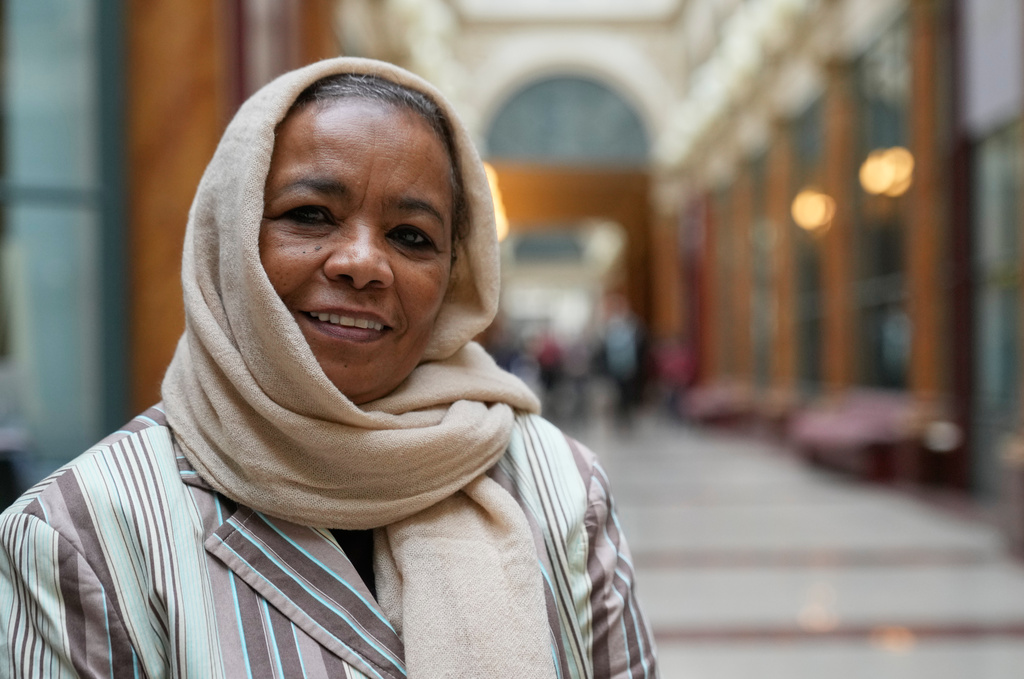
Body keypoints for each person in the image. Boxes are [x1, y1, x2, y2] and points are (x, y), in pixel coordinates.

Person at [0, 58, 656, 678]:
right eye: (310, 215)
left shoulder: (560, 488)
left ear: (454, 276)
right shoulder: (82, 532)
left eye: (411, 236)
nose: (363, 262)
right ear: (230, 237)